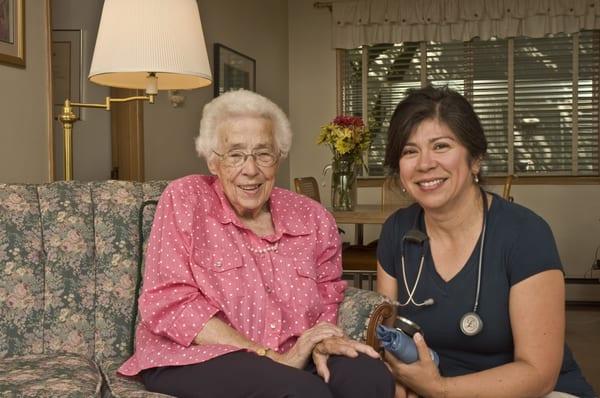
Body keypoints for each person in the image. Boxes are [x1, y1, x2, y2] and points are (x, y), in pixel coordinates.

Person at [118, 89, 395, 398]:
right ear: (213, 161)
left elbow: (328, 294)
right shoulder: (186, 200)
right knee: (301, 392)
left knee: (371, 378)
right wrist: (269, 357)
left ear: (278, 158)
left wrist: (320, 341)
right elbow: (171, 303)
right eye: (235, 154)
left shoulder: (313, 217)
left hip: (295, 351)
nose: (250, 169)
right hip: (196, 356)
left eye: (263, 154)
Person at [376, 85, 596, 398]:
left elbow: (539, 373)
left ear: (475, 159)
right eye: (410, 151)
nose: (424, 163)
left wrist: (440, 389)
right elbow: (388, 337)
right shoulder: (396, 232)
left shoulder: (525, 234)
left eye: (441, 146)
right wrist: (399, 377)